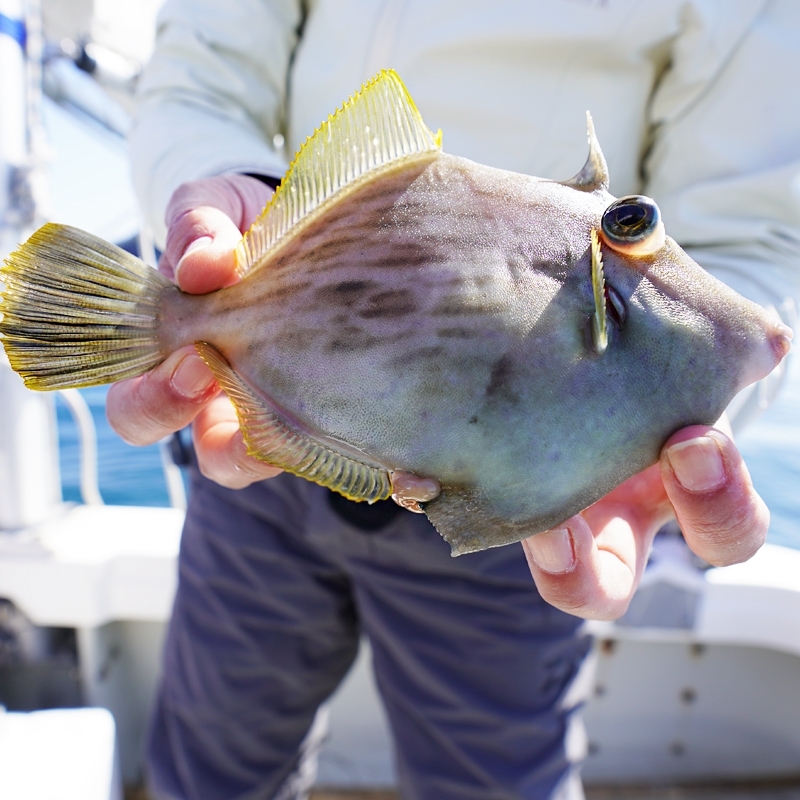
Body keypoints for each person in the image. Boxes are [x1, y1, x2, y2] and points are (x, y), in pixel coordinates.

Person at [114, 2, 800, 798]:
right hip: (259, 479)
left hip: (530, 503)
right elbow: (204, 65)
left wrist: (666, 431)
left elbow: (750, 242)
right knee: (210, 770)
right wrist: (244, 208)